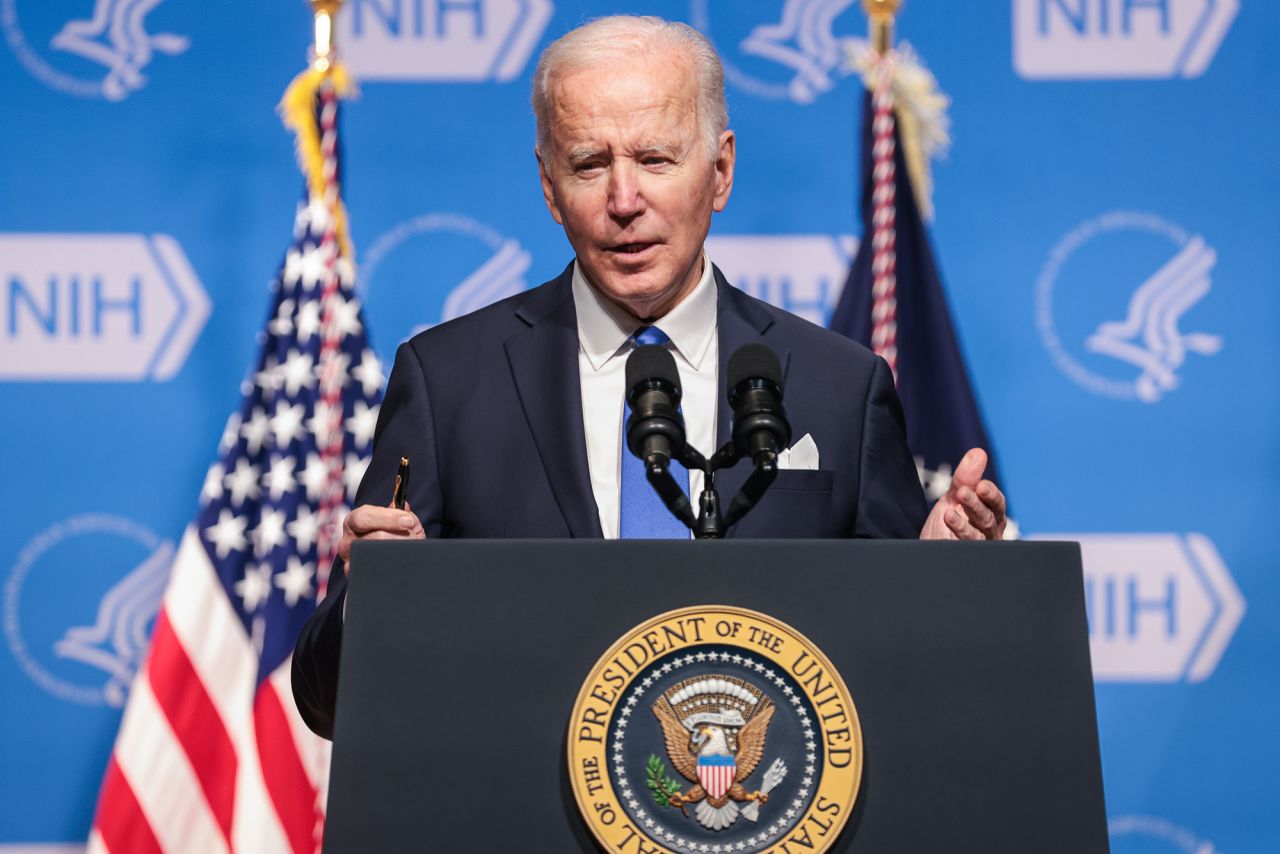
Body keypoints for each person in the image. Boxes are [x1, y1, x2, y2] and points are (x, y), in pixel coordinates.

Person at [292, 15, 1007, 739]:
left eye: (657, 159)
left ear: (720, 171)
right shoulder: (449, 383)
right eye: (589, 165)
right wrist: (375, 599)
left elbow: (902, 691)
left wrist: (935, 581)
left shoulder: (840, 389)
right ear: (548, 186)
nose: (624, 200)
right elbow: (327, 703)